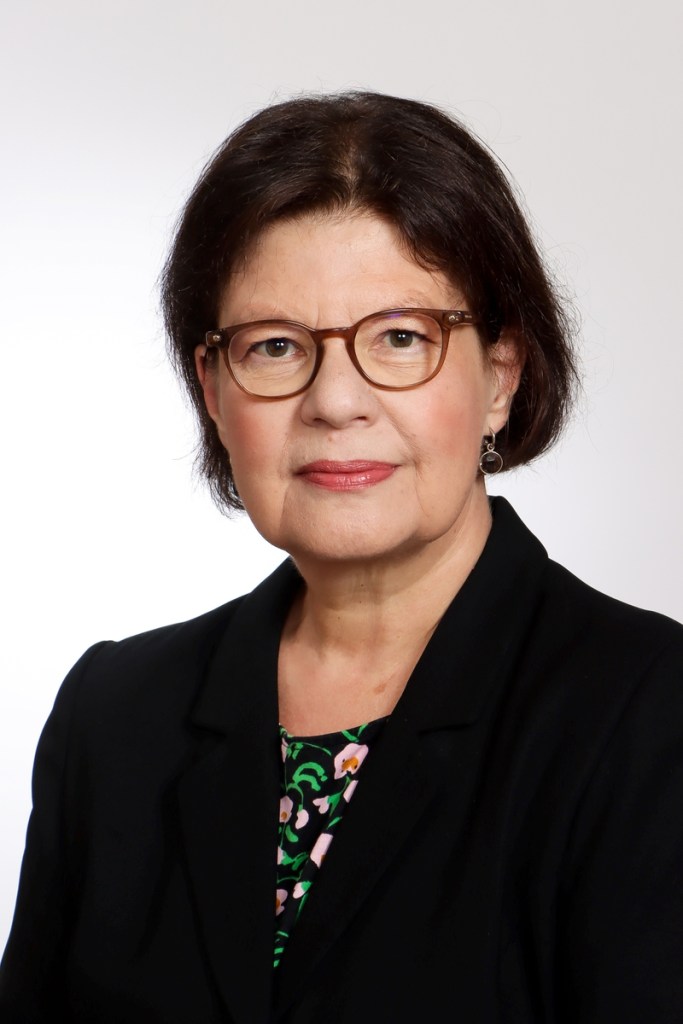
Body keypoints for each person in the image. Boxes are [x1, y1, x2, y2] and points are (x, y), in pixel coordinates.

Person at [1, 92, 681, 1024]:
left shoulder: (647, 711)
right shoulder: (114, 717)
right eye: (275, 347)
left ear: (500, 375)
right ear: (212, 390)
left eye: (400, 338)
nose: (334, 401)